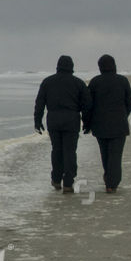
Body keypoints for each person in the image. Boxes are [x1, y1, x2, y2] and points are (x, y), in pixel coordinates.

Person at [34, 55, 90, 193]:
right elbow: (87, 105)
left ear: (58, 66)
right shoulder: (78, 83)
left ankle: (56, 179)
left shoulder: (47, 82)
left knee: (56, 150)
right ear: (71, 67)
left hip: (53, 120)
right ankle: (68, 183)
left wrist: (37, 120)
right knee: (70, 151)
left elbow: (40, 103)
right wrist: (87, 122)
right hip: (71, 120)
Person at [82, 54, 131, 193]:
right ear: (114, 65)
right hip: (119, 125)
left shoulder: (95, 82)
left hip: (100, 125)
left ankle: (109, 179)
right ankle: (112, 183)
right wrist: (123, 115)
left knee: (105, 154)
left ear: (100, 67)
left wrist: (87, 123)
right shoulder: (123, 81)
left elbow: (88, 105)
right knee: (115, 156)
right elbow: (129, 103)